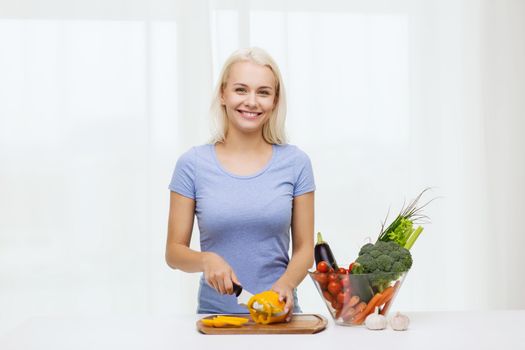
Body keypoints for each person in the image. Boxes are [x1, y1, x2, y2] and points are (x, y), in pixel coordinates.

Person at [165, 47, 315, 320]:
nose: (252, 101)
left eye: (263, 92)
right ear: (223, 94)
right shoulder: (193, 164)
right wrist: (206, 259)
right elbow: (174, 252)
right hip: (216, 320)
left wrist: (286, 285)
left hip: (282, 317)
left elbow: (305, 249)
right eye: (241, 90)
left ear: (274, 100)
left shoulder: (296, 163)